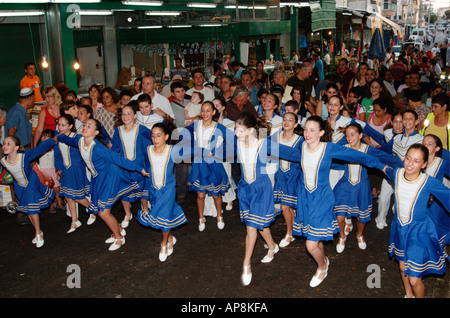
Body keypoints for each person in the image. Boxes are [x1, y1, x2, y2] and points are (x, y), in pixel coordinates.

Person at [292, 116, 386, 287]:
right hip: (306, 199)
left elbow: (356, 155)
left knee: (310, 245)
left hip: (322, 199)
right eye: (306, 129)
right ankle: (324, 259)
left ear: (321, 132)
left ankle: (322, 266)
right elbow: (286, 152)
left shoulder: (328, 148)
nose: (307, 133)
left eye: (312, 130)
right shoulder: (301, 145)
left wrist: (381, 166)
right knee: (316, 238)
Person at [57, 118, 148, 251]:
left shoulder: (98, 148)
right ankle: (119, 229)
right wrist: (59, 138)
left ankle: (119, 238)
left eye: (89, 126)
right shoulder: (79, 140)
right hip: (98, 178)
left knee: (103, 212)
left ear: (95, 132)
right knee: (101, 210)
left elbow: (118, 159)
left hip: (110, 177)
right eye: (84, 125)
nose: (85, 127)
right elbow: (68, 140)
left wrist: (139, 169)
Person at [233, 112, 300, 286]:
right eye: (235, 130)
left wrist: (313, 153)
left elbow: (292, 153)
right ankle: (272, 246)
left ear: (249, 130)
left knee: (251, 227)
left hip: (261, 190)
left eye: (240, 131)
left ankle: (246, 264)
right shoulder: (237, 143)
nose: (236, 134)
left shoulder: (264, 144)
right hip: (245, 190)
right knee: (259, 224)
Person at [384, 144, 449, 298]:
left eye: (416, 161)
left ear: (424, 164)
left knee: (414, 279)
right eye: (408, 158)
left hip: (419, 234)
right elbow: (381, 165)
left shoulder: (428, 181)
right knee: (401, 268)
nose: (410, 164)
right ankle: (408, 295)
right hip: (400, 230)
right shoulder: (397, 173)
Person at [333, 123, 401, 253]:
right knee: (340, 216)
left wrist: (401, 167)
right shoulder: (343, 148)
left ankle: (359, 235)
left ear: (360, 135)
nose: (349, 138)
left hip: (362, 186)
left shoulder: (367, 149)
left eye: (353, 134)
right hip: (345, 184)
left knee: (361, 217)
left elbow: (384, 157)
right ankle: (342, 237)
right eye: (347, 135)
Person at [137, 123, 188, 262]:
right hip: (154, 190)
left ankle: (164, 244)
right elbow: (147, 165)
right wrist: (144, 172)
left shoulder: (172, 150)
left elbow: (191, 152)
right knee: (161, 218)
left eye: (158, 135)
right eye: (153, 136)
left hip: (168, 190)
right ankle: (170, 238)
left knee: (164, 218)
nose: (155, 139)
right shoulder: (148, 150)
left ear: (166, 137)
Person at [1, 135, 56, 247]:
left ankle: (38, 234)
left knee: (32, 209)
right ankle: (38, 231)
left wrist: (53, 140)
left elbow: (39, 149)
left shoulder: (24, 156)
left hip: (31, 182)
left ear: (16, 147)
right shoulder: (3, 161)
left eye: (8, 143)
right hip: (20, 187)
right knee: (28, 210)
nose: (5, 146)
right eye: (4, 143)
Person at [185, 101, 231, 231]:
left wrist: (216, 152)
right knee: (200, 195)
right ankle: (201, 218)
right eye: (203, 110)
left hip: (213, 164)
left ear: (214, 112)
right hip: (199, 164)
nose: (205, 113)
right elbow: (183, 136)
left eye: (208, 110)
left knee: (216, 194)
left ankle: (219, 215)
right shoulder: (196, 125)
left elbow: (232, 143)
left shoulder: (219, 127)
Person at [376, 110, 424, 229]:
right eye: (405, 118)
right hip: (392, 173)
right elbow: (383, 151)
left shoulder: (421, 139)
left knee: (400, 204)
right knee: (383, 198)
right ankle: (380, 220)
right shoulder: (397, 138)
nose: (407, 121)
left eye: (410, 118)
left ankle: (400, 225)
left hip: (408, 178)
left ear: (416, 121)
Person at [111, 104, 152, 229]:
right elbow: (114, 149)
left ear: (135, 116)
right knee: (123, 191)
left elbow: (153, 140)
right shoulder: (118, 131)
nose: (125, 116)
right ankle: (128, 214)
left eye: (129, 113)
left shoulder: (142, 129)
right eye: (123, 114)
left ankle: (145, 209)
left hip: (140, 165)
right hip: (124, 167)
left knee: (143, 189)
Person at [53, 114, 90, 233]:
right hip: (66, 169)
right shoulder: (58, 138)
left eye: (63, 125)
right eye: (59, 125)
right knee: (68, 195)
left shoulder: (77, 137)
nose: (60, 127)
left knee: (78, 196)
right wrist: (59, 169)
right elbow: (58, 155)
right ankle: (74, 220)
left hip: (76, 169)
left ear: (70, 125)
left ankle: (95, 209)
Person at [273, 112, 303, 247]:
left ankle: (289, 233)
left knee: (285, 206)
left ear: (295, 124)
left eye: (290, 120)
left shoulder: (300, 140)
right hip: (280, 174)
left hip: (293, 176)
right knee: (287, 207)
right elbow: (263, 145)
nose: (286, 122)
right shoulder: (276, 136)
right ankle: (294, 229)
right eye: (284, 119)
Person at [38, 129, 65, 213]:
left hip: (52, 171)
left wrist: (58, 171)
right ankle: (51, 205)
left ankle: (59, 204)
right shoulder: (40, 148)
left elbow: (58, 160)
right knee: (47, 190)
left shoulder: (55, 149)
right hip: (42, 172)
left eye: (47, 137)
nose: (44, 138)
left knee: (57, 189)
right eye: (43, 136)